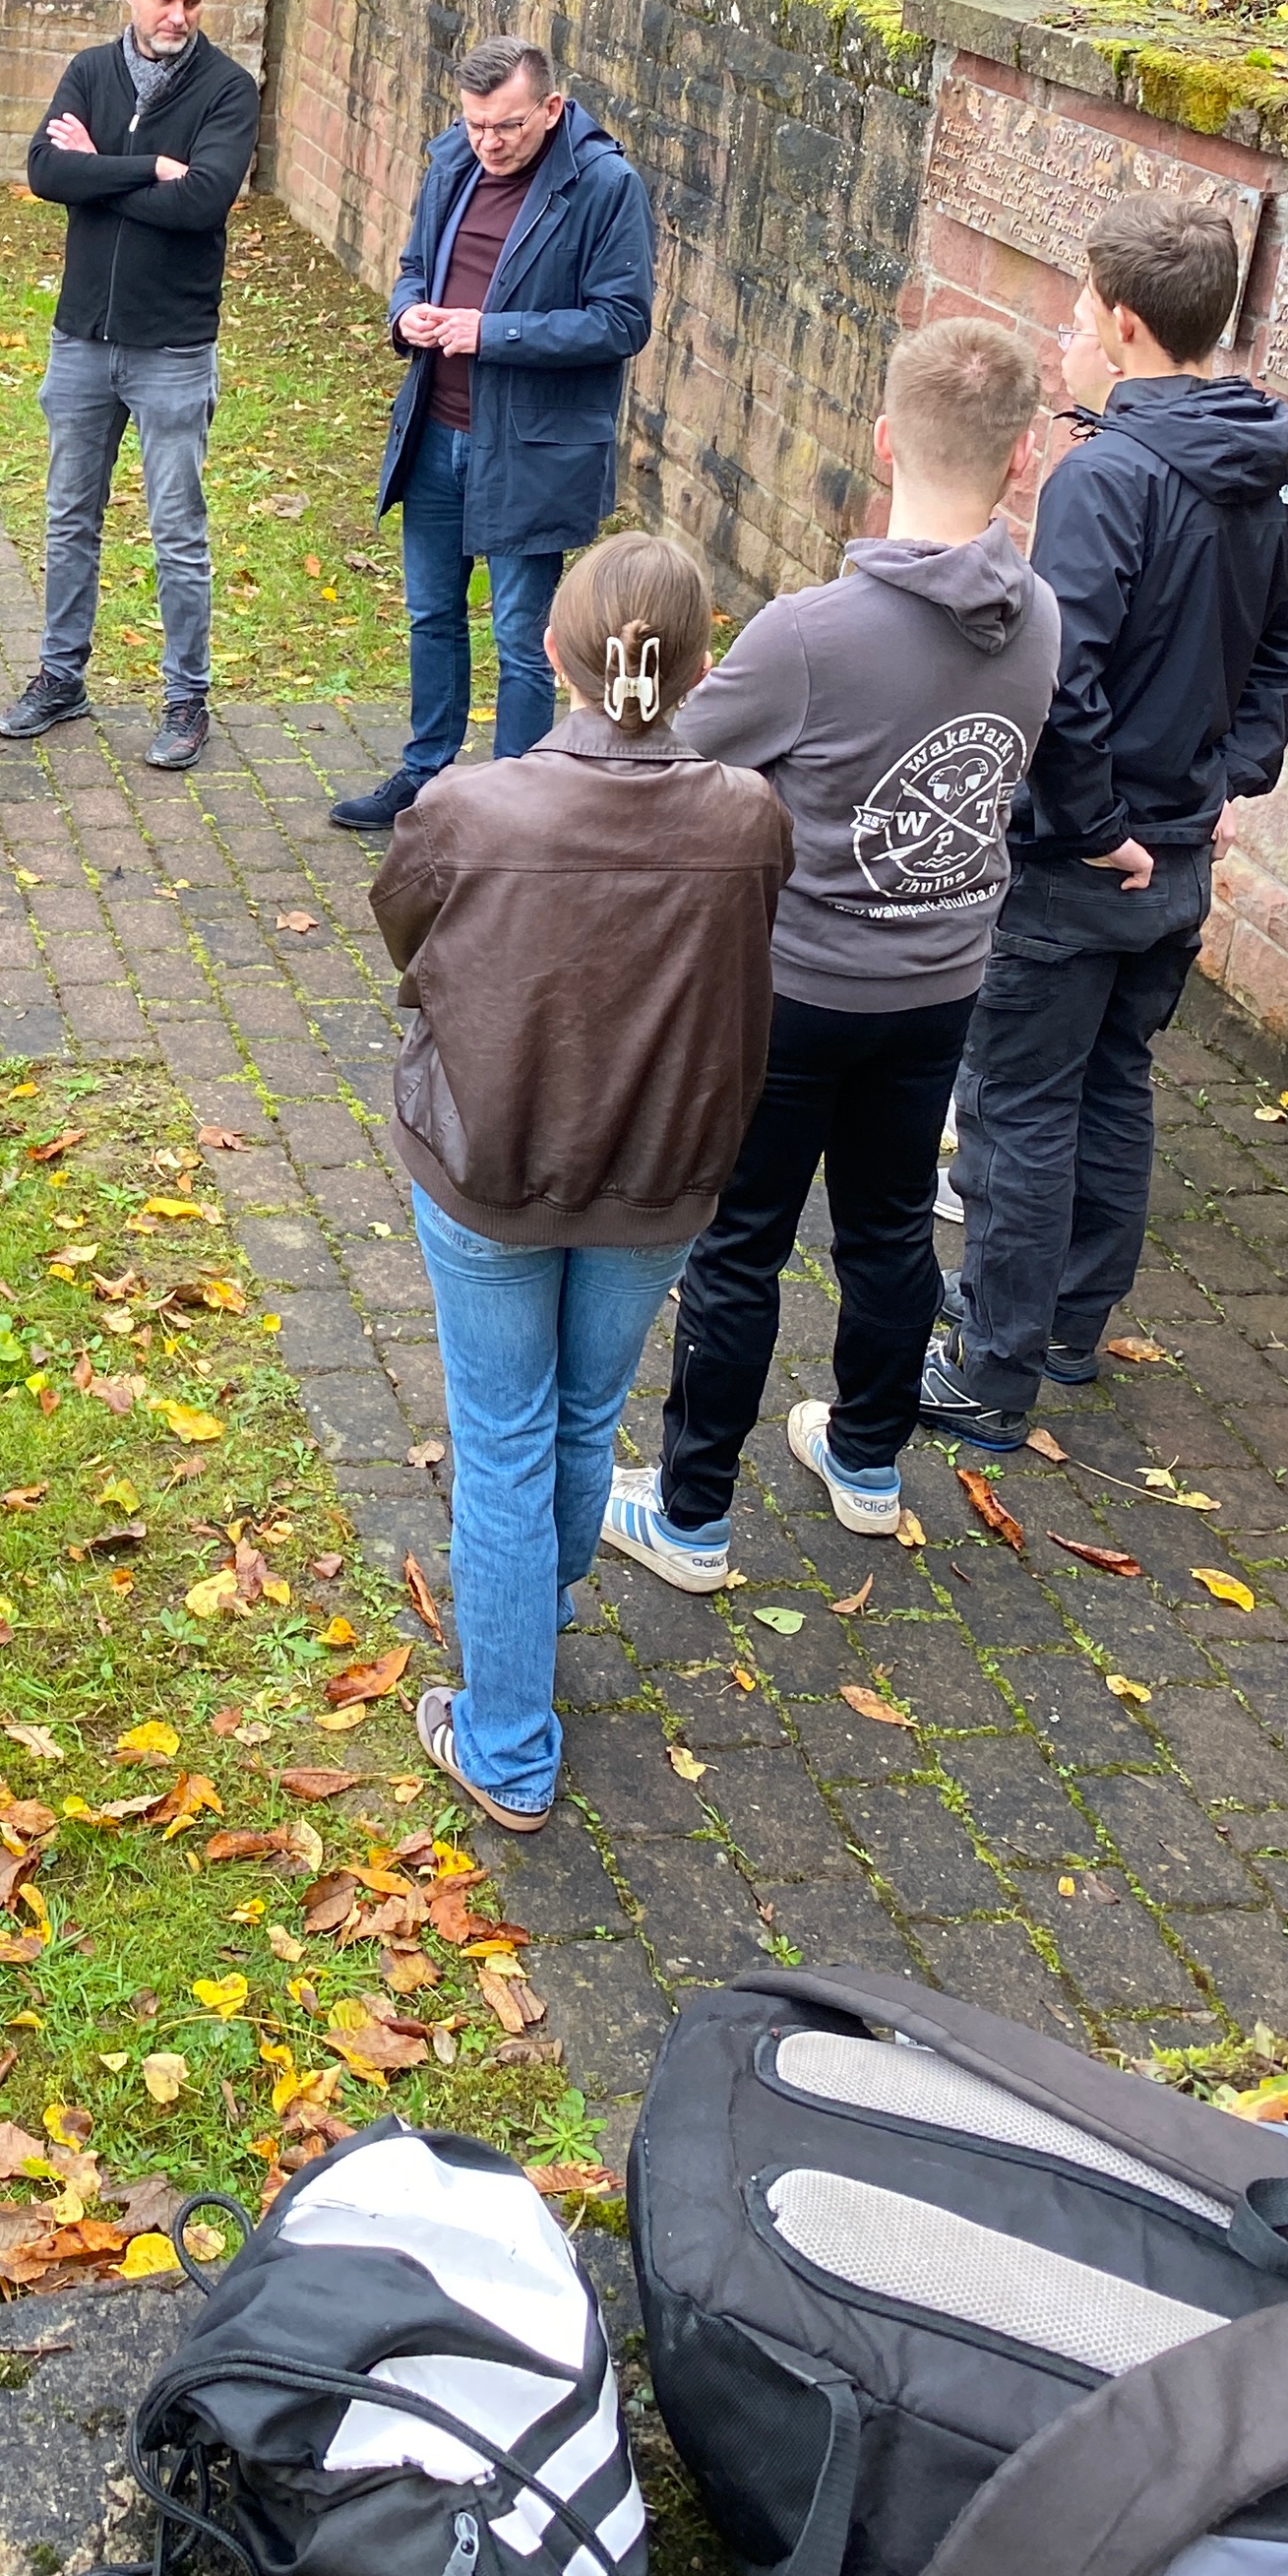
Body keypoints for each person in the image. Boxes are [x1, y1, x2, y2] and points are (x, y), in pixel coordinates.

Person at [600, 322, 1059, 1586]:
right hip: (941, 986)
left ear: (880, 440)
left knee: (742, 1242)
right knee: (892, 1226)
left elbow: (677, 754)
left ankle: (691, 1517)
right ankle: (865, 1462)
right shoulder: (1045, 622)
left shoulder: (811, 634)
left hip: (796, 995)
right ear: (1022, 459)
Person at [368, 533, 792, 1833]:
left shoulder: (468, 808)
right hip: (658, 1174)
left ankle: (505, 1742)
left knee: (503, 1441)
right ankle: (528, 1624)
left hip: (492, 1162)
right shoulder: (749, 820)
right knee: (576, 1421)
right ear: (702, 667)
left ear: (550, 652)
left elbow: (405, 925)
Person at [921, 198, 1288, 1452]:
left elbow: (1067, 676)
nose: (1071, 331)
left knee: (1018, 1103)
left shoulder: (1109, 474)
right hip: (1176, 856)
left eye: (1083, 309)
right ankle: (1060, 1322)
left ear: (1132, 325)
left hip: (1083, 862)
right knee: (1112, 1084)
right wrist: (1216, 784)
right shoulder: (1267, 459)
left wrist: (1101, 822)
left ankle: (990, 1369)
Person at [334, 40, 656, 830]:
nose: (489, 142)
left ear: (551, 110)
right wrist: (405, 312)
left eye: (506, 125)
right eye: (475, 124)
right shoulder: (451, 163)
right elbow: (413, 266)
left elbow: (622, 322)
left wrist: (494, 334)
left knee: (520, 633)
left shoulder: (604, 187)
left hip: (530, 450)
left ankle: (516, 804)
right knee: (430, 614)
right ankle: (425, 772)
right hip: (435, 432)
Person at [0, 0, 262, 772]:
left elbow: (205, 202)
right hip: (81, 339)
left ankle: (187, 697)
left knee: (176, 528)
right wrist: (151, 167)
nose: (178, 15)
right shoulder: (88, 71)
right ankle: (61, 677)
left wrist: (102, 171)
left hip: (173, 346)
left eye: (192, 1)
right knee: (69, 514)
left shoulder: (229, 90)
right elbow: (45, 173)